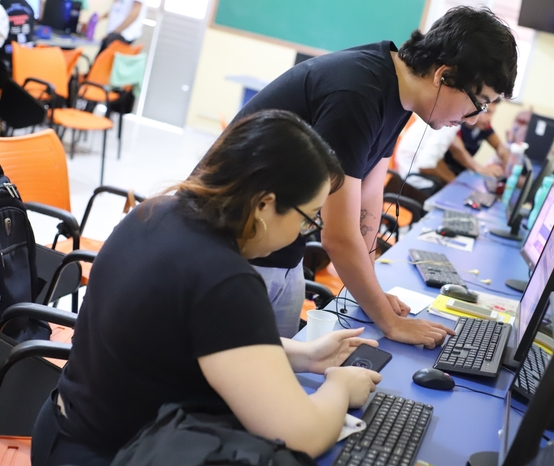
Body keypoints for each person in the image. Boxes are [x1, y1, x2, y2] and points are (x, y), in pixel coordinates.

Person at [31, 110, 383, 466]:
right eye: (308, 219)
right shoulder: (225, 278)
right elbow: (300, 435)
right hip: (115, 455)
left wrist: (304, 356)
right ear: (265, 204)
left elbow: (183, 338)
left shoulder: (156, 213)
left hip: (60, 431)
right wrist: (339, 387)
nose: (301, 234)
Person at [228, 6, 518, 347]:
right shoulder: (358, 93)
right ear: (444, 76)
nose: (472, 119)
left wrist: (372, 292)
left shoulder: (398, 92)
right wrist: (390, 322)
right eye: (478, 102)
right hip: (236, 253)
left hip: (282, 253)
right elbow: (337, 233)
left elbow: (368, 194)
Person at [441, 100, 511, 178]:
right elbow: (457, 150)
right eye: (487, 112)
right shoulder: (456, 123)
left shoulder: (484, 126)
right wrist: (482, 169)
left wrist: (506, 162)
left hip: (460, 173)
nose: (490, 118)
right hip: (440, 171)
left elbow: (499, 146)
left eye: (493, 113)